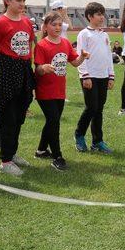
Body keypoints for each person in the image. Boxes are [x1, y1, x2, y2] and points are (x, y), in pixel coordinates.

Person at [0, 0, 35, 176]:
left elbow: (28, 48)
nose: (22, 4)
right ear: (7, 1)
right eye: (18, 0)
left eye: (24, 0)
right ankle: (5, 161)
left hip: (24, 71)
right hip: (7, 72)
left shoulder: (27, 23)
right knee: (8, 117)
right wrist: (8, 60)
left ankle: (12, 154)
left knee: (19, 116)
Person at [34, 12, 88, 170]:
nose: (57, 27)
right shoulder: (42, 45)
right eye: (54, 24)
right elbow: (37, 69)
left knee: (52, 121)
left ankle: (41, 150)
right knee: (54, 122)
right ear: (45, 27)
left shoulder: (65, 43)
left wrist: (83, 57)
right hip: (45, 91)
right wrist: (43, 68)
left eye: (59, 25)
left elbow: (75, 62)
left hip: (59, 91)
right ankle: (57, 156)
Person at [74, 2, 115, 154]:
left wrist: (111, 76)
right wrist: (85, 76)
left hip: (103, 76)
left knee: (99, 109)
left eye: (102, 14)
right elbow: (81, 55)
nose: (101, 17)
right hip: (90, 76)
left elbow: (108, 56)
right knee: (91, 107)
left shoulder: (104, 34)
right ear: (90, 17)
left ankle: (97, 141)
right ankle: (79, 134)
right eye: (98, 14)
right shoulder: (84, 34)